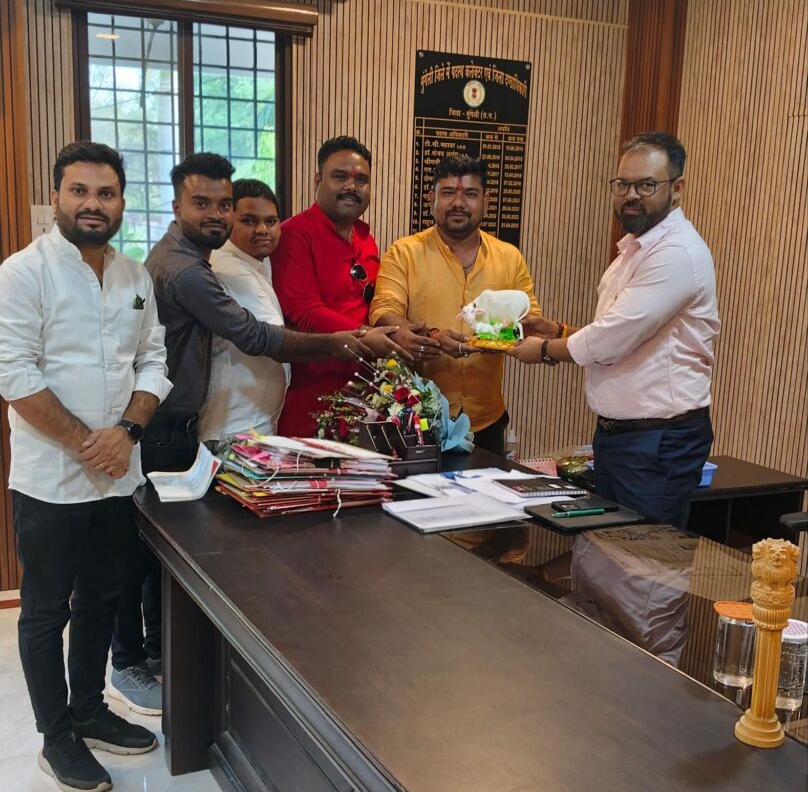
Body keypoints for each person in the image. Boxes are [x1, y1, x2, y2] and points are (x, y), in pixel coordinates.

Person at [109, 152, 398, 713]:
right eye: (205, 204)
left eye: (224, 205)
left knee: (164, 549)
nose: (217, 215)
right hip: (167, 426)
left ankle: (159, 653)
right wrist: (346, 342)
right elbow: (257, 337)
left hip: (180, 421)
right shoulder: (192, 270)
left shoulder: (206, 257)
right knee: (148, 551)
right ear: (177, 205)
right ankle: (131, 662)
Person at [0, 141, 172, 792]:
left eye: (106, 193)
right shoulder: (23, 273)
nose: (92, 204)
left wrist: (127, 433)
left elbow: (153, 361)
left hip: (119, 474)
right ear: (57, 197)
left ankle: (90, 710)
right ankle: (56, 737)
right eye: (80, 191)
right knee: (47, 611)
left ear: (121, 201)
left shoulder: (134, 278)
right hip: (50, 479)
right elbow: (14, 374)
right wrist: (86, 444)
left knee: (103, 598)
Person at [508, 132, 720, 528]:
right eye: (623, 184)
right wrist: (557, 329)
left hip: (658, 441)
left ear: (677, 189)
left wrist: (543, 349)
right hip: (624, 438)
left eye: (646, 185)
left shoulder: (675, 252)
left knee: (645, 556)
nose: (631, 195)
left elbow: (610, 339)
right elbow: (620, 333)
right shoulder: (636, 248)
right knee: (609, 548)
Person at [370, 154, 549, 455]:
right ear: (431, 198)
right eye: (448, 193)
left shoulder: (509, 257)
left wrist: (494, 338)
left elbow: (529, 322)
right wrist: (433, 336)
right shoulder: (404, 253)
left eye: (470, 194)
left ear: (486, 201)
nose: (458, 203)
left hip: (487, 420)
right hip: (418, 418)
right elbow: (384, 312)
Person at [270, 136, 411, 436]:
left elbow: (372, 303)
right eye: (340, 176)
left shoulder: (365, 238)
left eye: (361, 179)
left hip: (368, 395)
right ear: (318, 180)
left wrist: (404, 331)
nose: (352, 186)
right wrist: (367, 336)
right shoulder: (294, 235)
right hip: (313, 398)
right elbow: (306, 312)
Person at [199, 178, 289, 446]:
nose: (263, 230)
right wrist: (345, 343)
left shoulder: (257, 262)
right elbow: (278, 342)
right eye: (249, 221)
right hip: (234, 431)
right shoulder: (231, 268)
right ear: (228, 220)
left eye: (271, 221)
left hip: (249, 424)